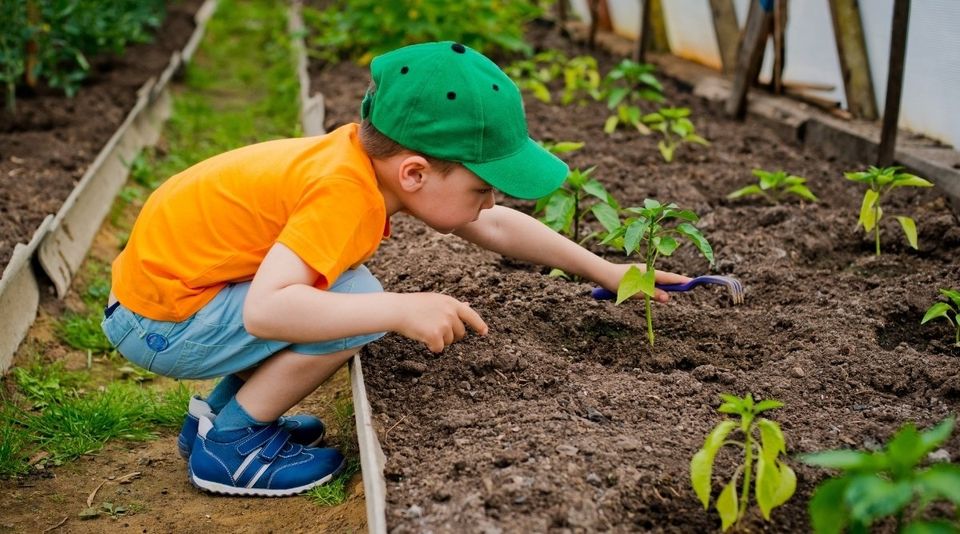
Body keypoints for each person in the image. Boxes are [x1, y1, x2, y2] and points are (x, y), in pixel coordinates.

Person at [101, 41, 689, 497]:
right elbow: (266, 308)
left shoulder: (364, 167)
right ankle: (230, 446)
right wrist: (401, 308)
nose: (489, 203)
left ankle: (219, 418)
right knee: (358, 303)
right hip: (162, 322)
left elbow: (497, 227)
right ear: (413, 173)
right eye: (483, 188)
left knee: (344, 293)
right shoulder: (343, 195)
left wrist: (606, 271)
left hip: (171, 299)